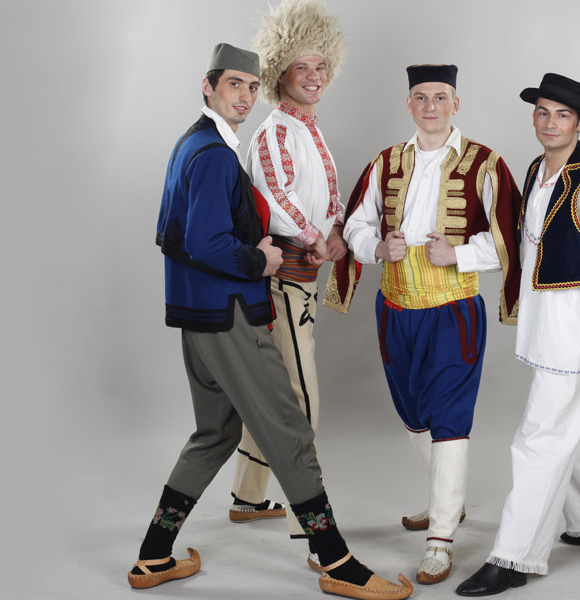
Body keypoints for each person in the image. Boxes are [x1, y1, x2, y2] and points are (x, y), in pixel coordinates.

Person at [127, 42, 411, 600]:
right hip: (228, 314)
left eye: (252, 87)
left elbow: (169, 235)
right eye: (234, 84)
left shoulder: (192, 143)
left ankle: (153, 556)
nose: (244, 96)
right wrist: (260, 260)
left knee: (215, 434)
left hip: (197, 316)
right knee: (289, 428)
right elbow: (205, 242)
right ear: (208, 86)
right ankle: (337, 562)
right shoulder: (213, 153)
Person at [326, 64, 522, 585]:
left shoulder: (486, 162)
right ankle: (448, 500)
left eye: (440, 97)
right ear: (408, 105)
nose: (430, 106)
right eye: (420, 97)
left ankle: (440, 539)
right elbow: (356, 223)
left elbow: (509, 237)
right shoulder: (386, 161)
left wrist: (458, 253)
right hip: (395, 305)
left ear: (456, 104)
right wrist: (376, 247)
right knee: (413, 413)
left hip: (453, 308)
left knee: (449, 415)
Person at [456, 73, 580, 597]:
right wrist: (459, 255)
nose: (550, 123)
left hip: (566, 331)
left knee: (540, 439)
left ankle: (515, 557)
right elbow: (521, 244)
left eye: (562, 115)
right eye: (543, 112)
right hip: (544, 329)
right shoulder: (537, 171)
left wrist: (575, 312)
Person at [226, 0, 348, 569]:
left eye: (321, 66)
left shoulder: (308, 129)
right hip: (287, 278)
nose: (315, 76)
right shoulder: (276, 130)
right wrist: (318, 237)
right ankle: (312, 525)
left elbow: (327, 192)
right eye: (303, 67)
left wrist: (336, 228)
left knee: (282, 391)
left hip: (304, 273)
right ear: (280, 72)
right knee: (301, 397)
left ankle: (248, 497)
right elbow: (276, 197)